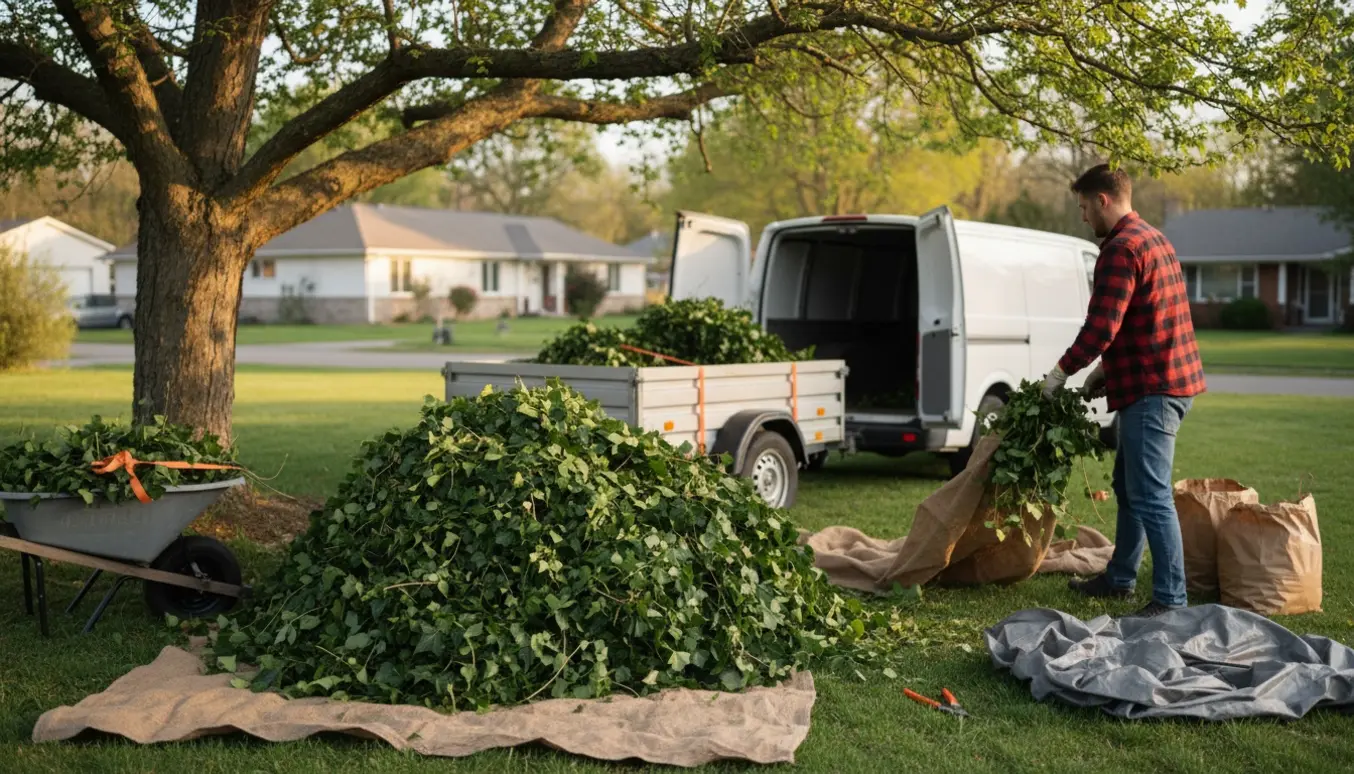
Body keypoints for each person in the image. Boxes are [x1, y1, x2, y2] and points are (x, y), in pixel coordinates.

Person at [1041, 163, 1207, 618]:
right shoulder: (1154, 239)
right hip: (1160, 381)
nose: (1082, 218)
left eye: (1082, 207)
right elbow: (1148, 321)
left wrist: (1059, 375)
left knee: (1150, 493)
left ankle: (1171, 600)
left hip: (1153, 391)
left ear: (1103, 200)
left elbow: (1101, 328)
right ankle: (1119, 577)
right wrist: (1104, 374)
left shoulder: (1120, 249)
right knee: (1128, 485)